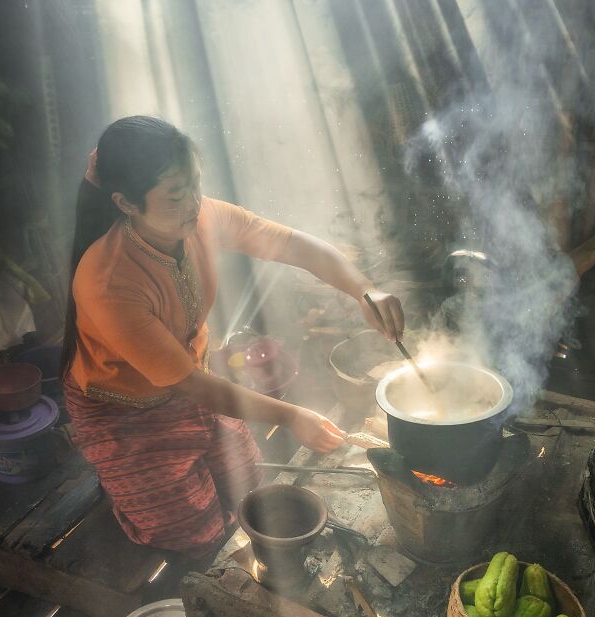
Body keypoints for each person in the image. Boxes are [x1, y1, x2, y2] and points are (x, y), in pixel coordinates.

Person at [62, 115, 404, 557]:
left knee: (249, 493)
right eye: (175, 194)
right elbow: (192, 385)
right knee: (198, 536)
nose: (193, 203)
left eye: (196, 184)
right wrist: (292, 415)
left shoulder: (201, 217)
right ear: (126, 203)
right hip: (126, 413)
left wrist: (364, 288)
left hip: (196, 389)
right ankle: (120, 482)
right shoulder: (108, 280)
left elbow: (289, 243)